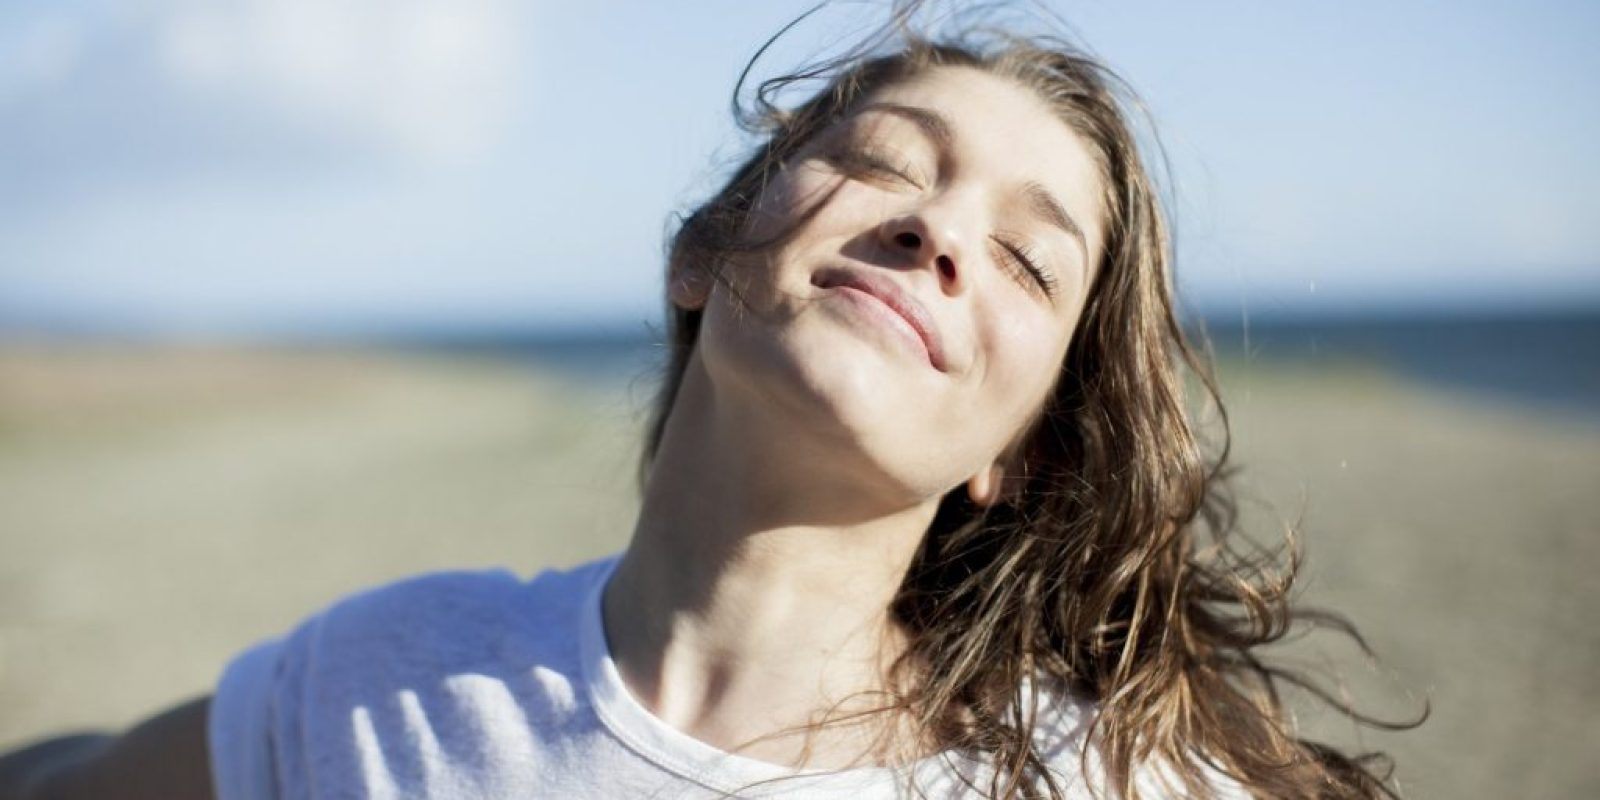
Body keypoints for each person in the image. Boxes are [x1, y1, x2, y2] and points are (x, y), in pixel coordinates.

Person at [0, 3, 1413, 798]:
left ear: (1026, 450)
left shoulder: (1112, 784)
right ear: (707, 247)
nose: (941, 235)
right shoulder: (379, 683)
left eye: (1031, 263)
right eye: (888, 160)